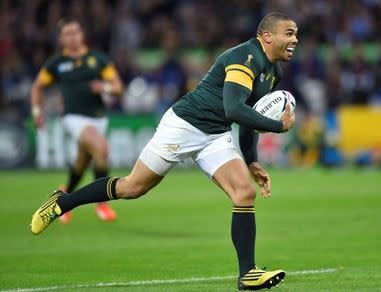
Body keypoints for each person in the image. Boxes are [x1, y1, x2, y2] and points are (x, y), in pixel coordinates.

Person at [31, 12, 297, 290]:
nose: (295, 39)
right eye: (288, 33)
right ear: (267, 36)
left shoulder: (273, 71)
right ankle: (62, 203)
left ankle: (248, 274)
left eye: (296, 33)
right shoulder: (247, 57)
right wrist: (278, 126)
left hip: (215, 134)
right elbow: (234, 109)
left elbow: (246, 116)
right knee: (133, 187)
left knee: (244, 193)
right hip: (184, 125)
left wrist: (252, 161)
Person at [30, 18, 123, 223]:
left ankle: (62, 198)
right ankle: (102, 204)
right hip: (74, 118)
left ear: (82, 35)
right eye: (68, 33)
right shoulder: (56, 63)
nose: (73, 37)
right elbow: (37, 86)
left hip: (98, 118)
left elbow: (118, 87)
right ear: (61, 38)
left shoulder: (97, 59)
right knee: (102, 149)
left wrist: (104, 88)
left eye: (76, 32)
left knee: (82, 162)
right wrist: (37, 112)